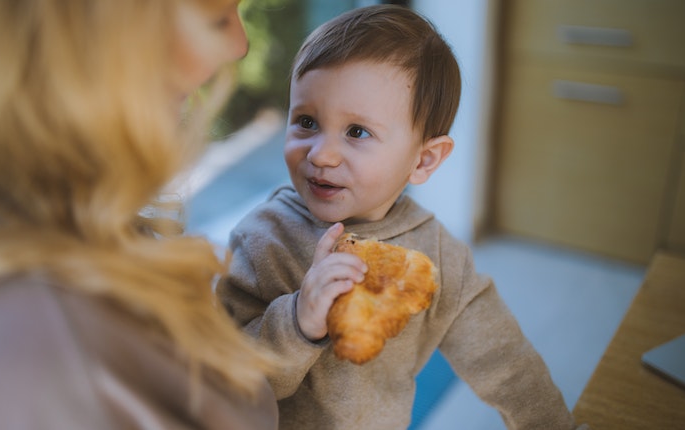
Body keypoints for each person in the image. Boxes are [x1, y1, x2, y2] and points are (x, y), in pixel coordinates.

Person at [217, 5, 588, 429]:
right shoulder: (262, 239)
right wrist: (297, 319)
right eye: (306, 121)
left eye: (357, 132)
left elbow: (503, 361)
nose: (321, 154)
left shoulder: (438, 257)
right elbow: (225, 381)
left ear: (424, 159)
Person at [0, 0, 279, 429]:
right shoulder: (45, 350)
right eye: (217, 18)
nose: (239, 45)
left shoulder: (67, 228)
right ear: (85, 39)